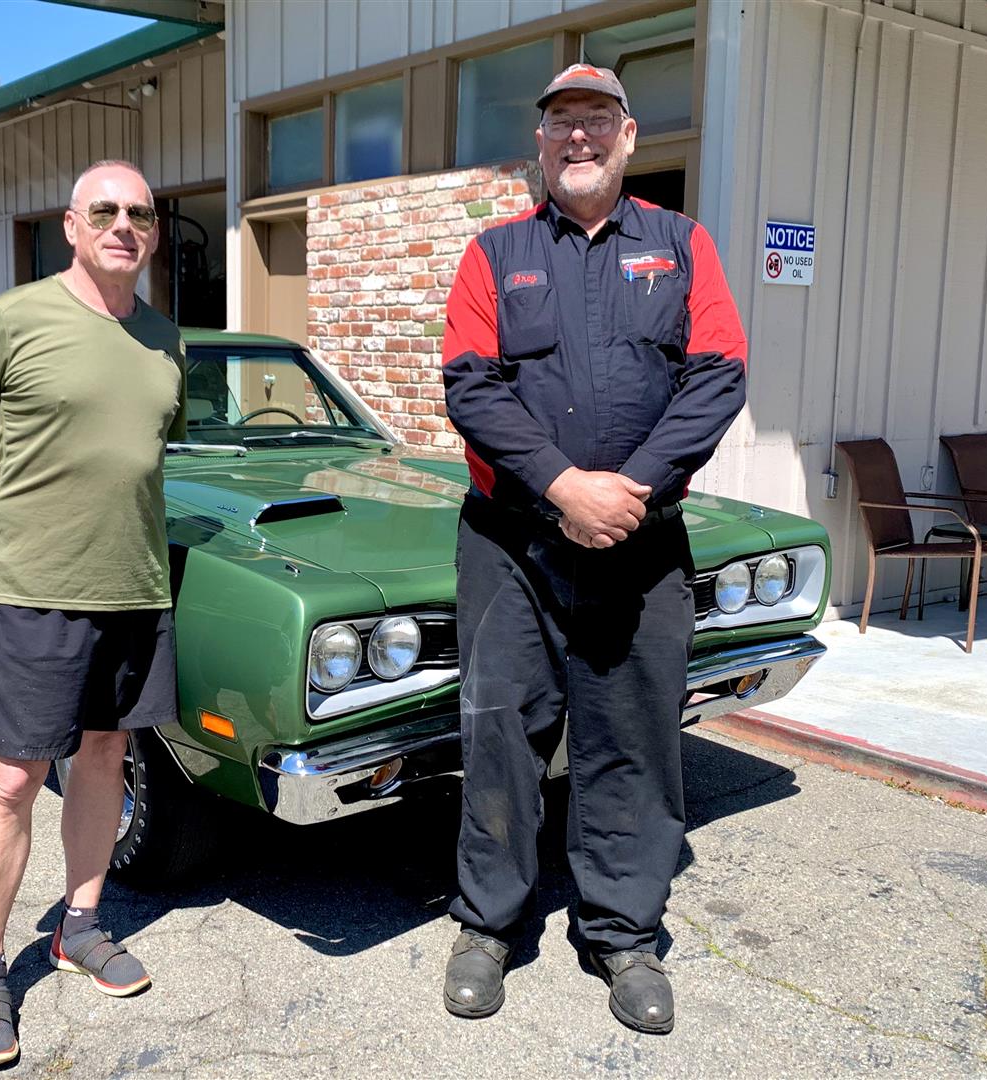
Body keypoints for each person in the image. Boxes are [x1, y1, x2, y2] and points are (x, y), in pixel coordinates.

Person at [439, 64, 748, 1033]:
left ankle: (623, 936)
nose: (579, 138)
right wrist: (565, 487)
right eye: (562, 123)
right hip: (510, 544)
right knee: (500, 736)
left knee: (634, 744)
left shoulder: (682, 244)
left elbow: (719, 375)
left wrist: (629, 492)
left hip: (640, 546)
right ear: (542, 142)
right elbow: (470, 385)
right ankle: (488, 927)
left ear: (627, 136)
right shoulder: (495, 253)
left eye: (596, 122)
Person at [0, 159, 186, 1069]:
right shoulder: (7, 320)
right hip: (30, 594)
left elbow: (142, 457)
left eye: (141, 213)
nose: (125, 224)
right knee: (11, 777)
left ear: (153, 232)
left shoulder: (164, 339)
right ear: (72, 225)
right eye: (106, 210)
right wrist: (4, 545)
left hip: (133, 588)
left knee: (105, 758)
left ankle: (79, 926)